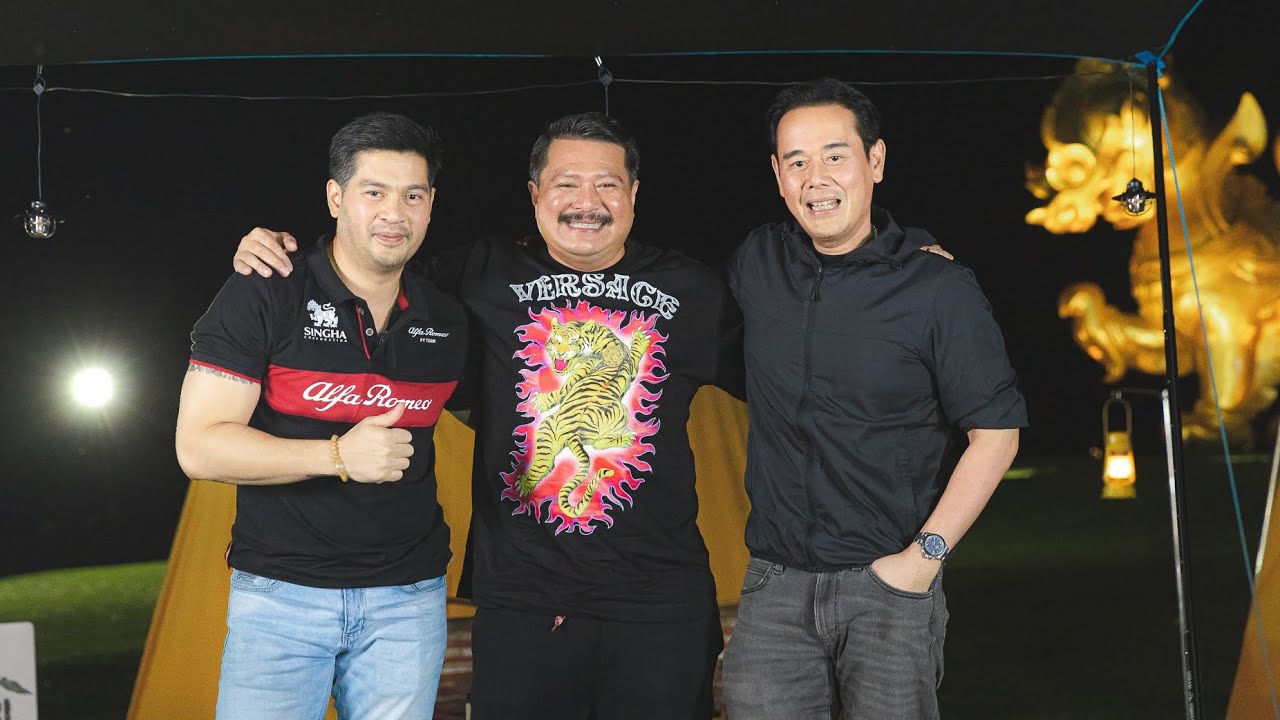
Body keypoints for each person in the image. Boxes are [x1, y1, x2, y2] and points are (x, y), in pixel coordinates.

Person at [231, 112, 743, 720]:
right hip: (523, 600)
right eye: (566, 183)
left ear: (633, 193)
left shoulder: (695, 291)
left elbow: (787, 384)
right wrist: (282, 254)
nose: (587, 202)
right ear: (534, 194)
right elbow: (367, 263)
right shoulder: (477, 275)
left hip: (661, 601)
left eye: (607, 184)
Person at [720, 78, 1028, 720]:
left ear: (875, 161)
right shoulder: (757, 263)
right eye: (796, 162)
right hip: (775, 586)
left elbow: (997, 434)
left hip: (888, 587)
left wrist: (923, 561)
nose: (816, 178)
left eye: (835, 155)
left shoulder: (938, 288)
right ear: (777, 175)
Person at [175, 112, 469, 719]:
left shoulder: (448, 315)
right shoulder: (266, 289)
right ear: (335, 198)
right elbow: (199, 447)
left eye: (413, 195)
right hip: (281, 598)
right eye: (373, 192)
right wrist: (337, 456)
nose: (394, 213)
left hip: (408, 601)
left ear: (431, 205)